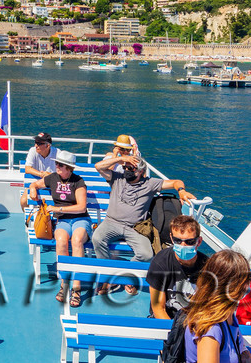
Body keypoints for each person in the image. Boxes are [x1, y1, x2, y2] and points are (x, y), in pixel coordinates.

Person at [91, 144, 196, 293]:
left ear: (141, 172)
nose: (127, 171)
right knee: (97, 239)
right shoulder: (116, 178)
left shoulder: (150, 184)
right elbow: (98, 166)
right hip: (111, 222)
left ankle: (126, 276)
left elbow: (175, 182)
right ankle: (109, 277)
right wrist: (122, 159)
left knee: (146, 254)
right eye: (126, 168)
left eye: (131, 169)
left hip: (135, 228)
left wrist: (182, 191)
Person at [147, 214, 207, 363]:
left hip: (197, 323)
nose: (183, 246)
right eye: (178, 241)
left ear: (198, 241)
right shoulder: (160, 263)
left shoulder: (208, 266)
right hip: (168, 320)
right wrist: (179, 336)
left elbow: (209, 305)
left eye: (189, 242)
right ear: (171, 239)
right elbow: (158, 307)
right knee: (172, 358)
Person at [39, 150, 92, 306]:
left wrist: (58, 209)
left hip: (80, 219)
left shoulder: (78, 181)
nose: (56, 166)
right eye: (56, 163)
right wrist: (33, 189)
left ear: (68, 168)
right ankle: (64, 282)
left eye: (60, 165)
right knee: (61, 241)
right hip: (63, 221)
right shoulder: (53, 178)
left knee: (76, 241)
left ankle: (76, 287)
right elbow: (36, 184)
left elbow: (82, 207)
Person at [19, 131, 65, 211]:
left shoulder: (58, 153)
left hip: (53, 185)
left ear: (47, 145)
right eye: (36, 142)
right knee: (23, 201)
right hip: (37, 183)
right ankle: (28, 220)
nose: (36, 145)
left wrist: (50, 175)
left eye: (39, 143)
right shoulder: (33, 151)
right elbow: (27, 169)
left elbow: (64, 172)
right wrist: (41, 174)